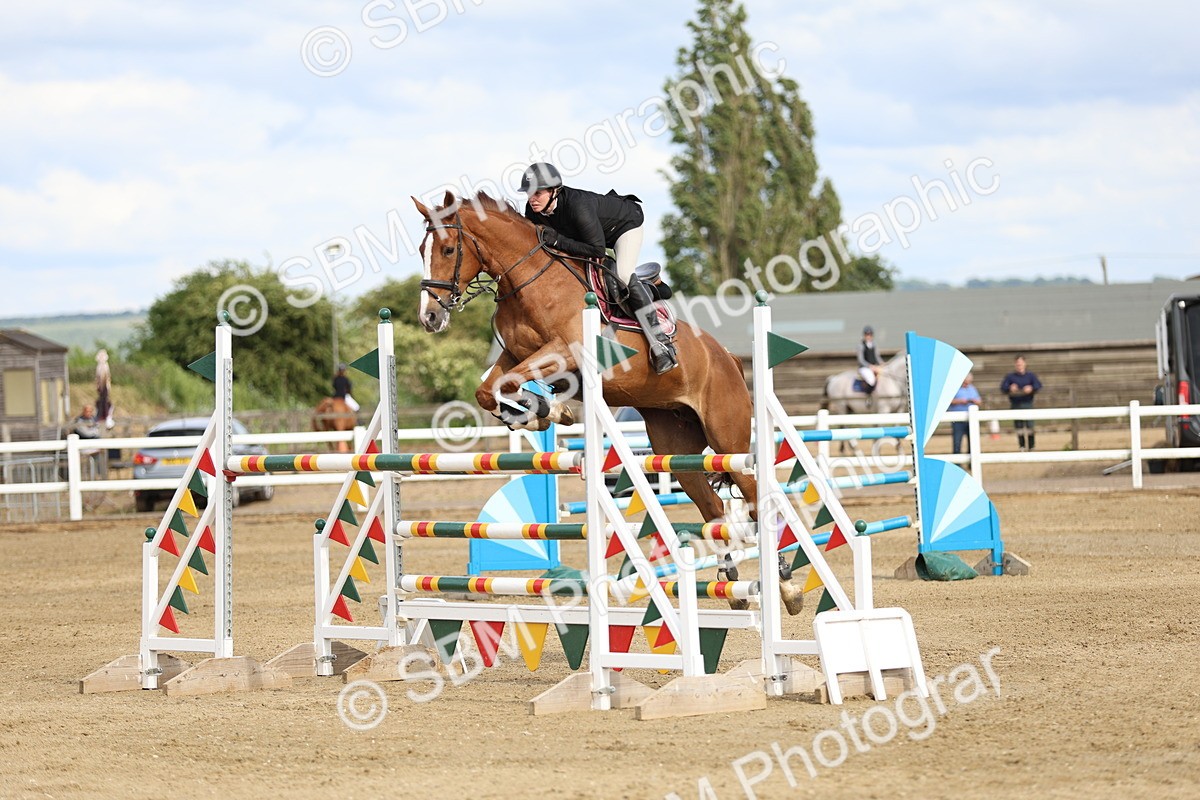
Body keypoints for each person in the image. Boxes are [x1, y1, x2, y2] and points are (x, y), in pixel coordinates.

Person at [518, 161, 677, 375]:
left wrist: (557, 241)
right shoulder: (533, 210)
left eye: (538, 193)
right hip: (589, 235)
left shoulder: (578, 206)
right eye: (529, 193)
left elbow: (597, 250)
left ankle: (661, 344)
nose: (532, 198)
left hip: (623, 227)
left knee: (622, 275)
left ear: (554, 191)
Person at [1000, 355, 1043, 451]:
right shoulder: (1010, 376)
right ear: (1015, 364)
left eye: (1021, 363)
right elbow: (1003, 388)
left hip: (1027, 403)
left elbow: (1038, 385)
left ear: (1025, 363)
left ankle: (1032, 446)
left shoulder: (1030, 376)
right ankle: (1022, 446)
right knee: (1019, 427)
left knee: (1030, 426)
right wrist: (1010, 388)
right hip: (1016, 404)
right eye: (1017, 363)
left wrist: (1031, 388)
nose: (1019, 365)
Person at [948, 373, 982, 454]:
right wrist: (959, 401)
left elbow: (980, 401)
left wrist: (975, 401)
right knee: (957, 440)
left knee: (972, 441)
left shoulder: (972, 388)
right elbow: (948, 401)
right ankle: (957, 462)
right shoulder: (954, 388)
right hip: (957, 418)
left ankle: (971, 462)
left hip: (971, 419)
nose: (966, 384)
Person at [857, 326, 882, 394]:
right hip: (864, 368)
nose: (868, 336)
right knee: (872, 380)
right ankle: (868, 397)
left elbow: (877, 357)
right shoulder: (861, 345)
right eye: (867, 335)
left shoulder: (874, 345)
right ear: (864, 335)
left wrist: (882, 363)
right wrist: (870, 366)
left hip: (874, 367)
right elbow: (861, 360)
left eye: (870, 335)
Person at [94, 349, 114, 429]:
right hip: (101, 387)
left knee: (105, 401)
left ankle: (107, 417)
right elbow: (98, 378)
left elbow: (107, 377)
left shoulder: (105, 366)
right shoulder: (99, 366)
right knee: (101, 401)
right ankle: (100, 416)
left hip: (105, 386)